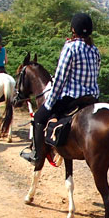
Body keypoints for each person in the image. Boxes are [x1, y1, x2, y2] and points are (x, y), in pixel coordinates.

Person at [21, 13, 101, 166]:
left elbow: (60, 78)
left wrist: (49, 103)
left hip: (71, 99)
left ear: (73, 29)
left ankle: (37, 156)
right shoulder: (95, 50)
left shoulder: (70, 48)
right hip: (92, 99)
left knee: (38, 117)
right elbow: (95, 75)